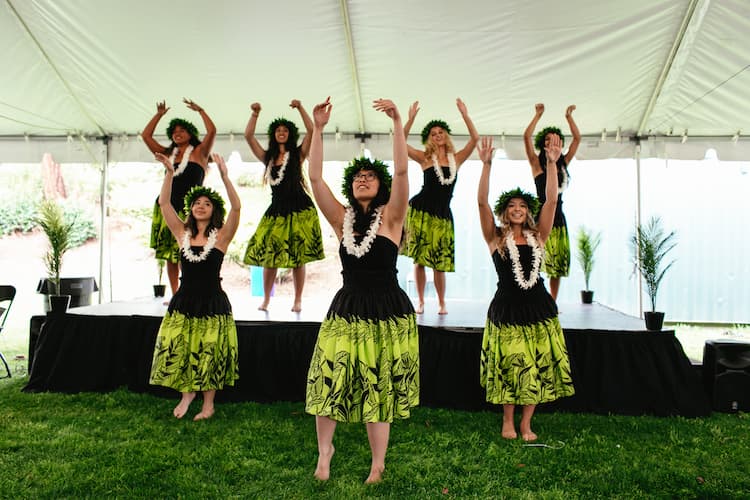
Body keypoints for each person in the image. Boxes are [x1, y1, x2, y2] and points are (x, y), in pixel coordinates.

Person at [305, 97, 418, 484]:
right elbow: (315, 180)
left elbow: (402, 172)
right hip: (348, 306)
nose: (363, 179)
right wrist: (317, 130)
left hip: (386, 310)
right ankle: (325, 453)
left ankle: (378, 463)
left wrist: (398, 123)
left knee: (377, 386)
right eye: (357, 177)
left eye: (370, 176)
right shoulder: (342, 219)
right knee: (327, 379)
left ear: (380, 185)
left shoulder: (392, 216)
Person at [476, 135, 575, 441]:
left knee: (535, 364)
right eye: (511, 206)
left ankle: (526, 424)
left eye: (522, 205)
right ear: (505, 212)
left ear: (527, 211)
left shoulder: (539, 236)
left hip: (538, 307)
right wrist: (486, 166)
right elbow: (481, 202)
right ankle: (508, 420)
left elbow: (552, 200)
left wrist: (551, 162)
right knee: (511, 364)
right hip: (507, 308)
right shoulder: (495, 237)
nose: (517, 209)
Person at [149, 152, 240, 421]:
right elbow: (165, 203)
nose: (201, 206)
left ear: (214, 211)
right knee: (183, 347)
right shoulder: (182, 234)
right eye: (197, 203)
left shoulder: (221, 236)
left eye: (207, 203)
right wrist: (169, 172)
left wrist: (224, 176)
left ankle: (208, 404)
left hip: (212, 301)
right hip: (184, 300)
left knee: (209, 352)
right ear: (191, 208)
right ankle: (187, 393)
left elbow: (237, 209)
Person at [242, 100, 325, 312]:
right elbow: (249, 137)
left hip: (299, 209)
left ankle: (297, 300)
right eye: (278, 130)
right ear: (273, 134)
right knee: (270, 256)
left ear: (290, 134)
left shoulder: (298, 154)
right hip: (276, 210)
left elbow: (311, 129)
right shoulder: (268, 158)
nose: (281, 132)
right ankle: (267, 300)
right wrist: (255, 113)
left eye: (285, 130)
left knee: (298, 257)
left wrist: (300, 109)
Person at [400, 99, 479, 314]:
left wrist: (465, 114)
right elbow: (399, 141)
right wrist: (410, 120)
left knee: (439, 263)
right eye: (433, 133)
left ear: (446, 136)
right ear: (429, 138)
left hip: (443, 214)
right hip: (421, 211)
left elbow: (475, 139)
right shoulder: (425, 158)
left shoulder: (457, 158)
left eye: (440, 132)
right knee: (420, 260)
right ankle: (421, 302)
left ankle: (442, 302)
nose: (437, 135)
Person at [141, 99, 216, 296]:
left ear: (191, 134)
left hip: (191, 209)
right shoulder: (168, 153)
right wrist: (159, 115)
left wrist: (201, 110)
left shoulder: (200, 152)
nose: (177, 133)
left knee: (189, 251)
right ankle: (176, 295)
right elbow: (145, 136)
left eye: (182, 130)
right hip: (168, 206)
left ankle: (191, 290)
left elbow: (212, 131)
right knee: (171, 256)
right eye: (174, 131)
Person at [523, 103, 581, 301]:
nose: (550, 142)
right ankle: (534, 297)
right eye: (547, 140)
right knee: (535, 259)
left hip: (559, 217)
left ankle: (552, 302)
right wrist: (537, 116)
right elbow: (526, 137)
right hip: (540, 217)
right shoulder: (536, 163)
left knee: (556, 265)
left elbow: (577, 139)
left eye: (554, 139)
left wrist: (568, 117)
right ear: (542, 143)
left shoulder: (562, 163)